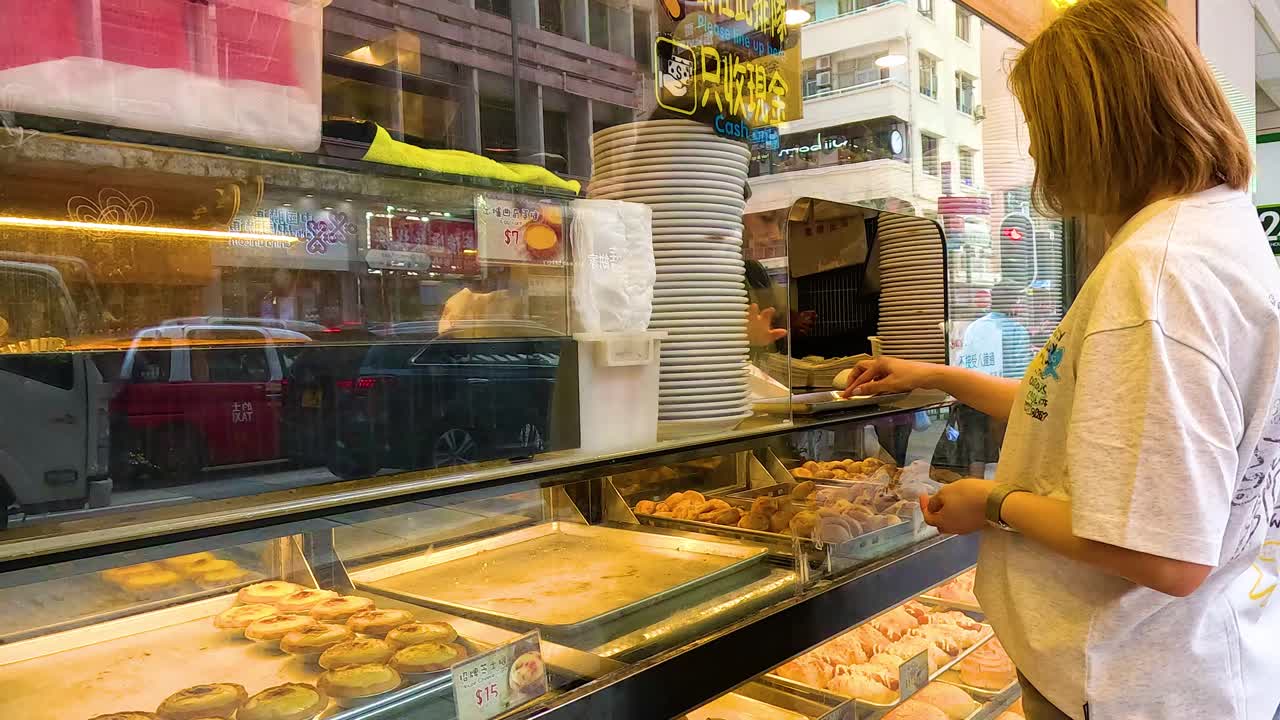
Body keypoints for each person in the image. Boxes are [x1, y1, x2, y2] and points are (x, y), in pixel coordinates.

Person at [844, 2, 1280, 719]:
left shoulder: (1157, 275)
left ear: (1098, 133)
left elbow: (1166, 555)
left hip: (1128, 682)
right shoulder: (1215, 232)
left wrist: (995, 505)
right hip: (1182, 661)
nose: (1042, 160)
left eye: (1047, 134)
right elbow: (1099, 419)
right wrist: (934, 376)